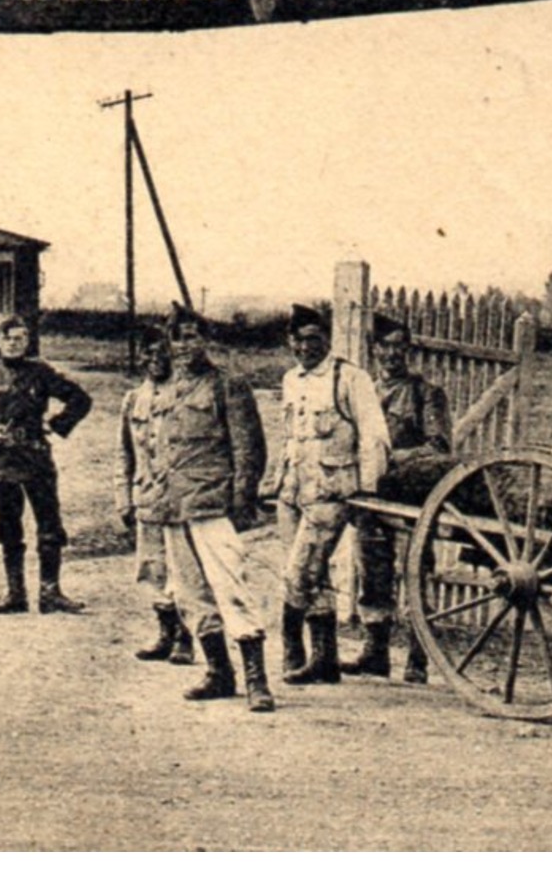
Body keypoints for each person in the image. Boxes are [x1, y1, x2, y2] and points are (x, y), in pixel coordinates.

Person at [154, 304, 274, 712]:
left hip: (212, 501)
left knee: (232, 588)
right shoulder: (165, 389)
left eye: (191, 337)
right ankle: (219, 672)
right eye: (177, 338)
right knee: (190, 594)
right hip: (172, 505)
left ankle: (258, 681)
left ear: (204, 340)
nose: (184, 345)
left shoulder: (227, 385)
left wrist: (242, 499)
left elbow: (249, 447)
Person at [268, 304, 391, 686]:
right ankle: (323, 660)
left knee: (298, 573)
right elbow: (290, 436)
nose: (305, 347)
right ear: (289, 342)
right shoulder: (291, 379)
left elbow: (374, 437)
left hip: (331, 493)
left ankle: (295, 648)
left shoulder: (350, 378)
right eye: (298, 340)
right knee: (311, 573)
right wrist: (275, 481)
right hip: (292, 492)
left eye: (313, 340)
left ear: (327, 340)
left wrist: (367, 490)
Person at [0, 314, 92, 614]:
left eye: (19, 339)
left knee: (49, 525)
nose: (13, 344)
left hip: (35, 458)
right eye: (7, 338)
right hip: (0, 462)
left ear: (27, 341)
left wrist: (58, 424)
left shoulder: (41, 373)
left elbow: (80, 399)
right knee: (8, 527)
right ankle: (15, 594)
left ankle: (50, 593)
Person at [365, 314, 453, 683]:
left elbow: (438, 446)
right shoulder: (365, 392)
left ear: (408, 350)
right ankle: (375, 653)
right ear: (375, 349)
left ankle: (417, 659)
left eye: (398, 347)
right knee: (371, 572)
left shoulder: (425, 393)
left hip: (411, 500)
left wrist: (396, 457)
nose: (391, 354)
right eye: (385, 346)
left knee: (413, 574)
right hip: (370, 499)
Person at [114, 326, 193, 664]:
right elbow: (124, 453)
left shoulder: (186, 394)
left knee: (185, 570)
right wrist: (123, 497)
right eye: (147, 353)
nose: (154, 359)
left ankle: (186, 639)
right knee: (153, 568)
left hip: (182, 498)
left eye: (162, 352)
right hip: (146, 494)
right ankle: (165, 632)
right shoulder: (134, 399)